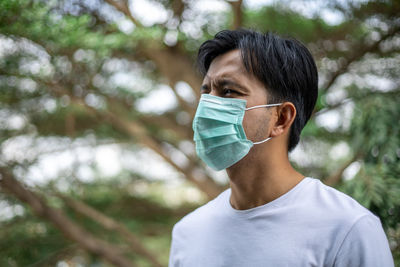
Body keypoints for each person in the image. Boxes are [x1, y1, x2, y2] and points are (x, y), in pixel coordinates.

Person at [168, 29, 394, 267]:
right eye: (206, 92)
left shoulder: (348, 229)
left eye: (228, 92)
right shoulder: (188, 232)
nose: (208, 107)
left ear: (281, 118)